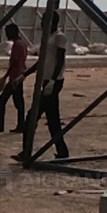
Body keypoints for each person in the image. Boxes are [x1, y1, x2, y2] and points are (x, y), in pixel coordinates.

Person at [34, 9, 70, 159]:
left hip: (53, 81)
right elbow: (42, 61)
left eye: (44, 21)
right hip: (46, 80)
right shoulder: (47, 37)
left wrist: (53, 81)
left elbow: (60, 60)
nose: (42, 24)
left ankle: (26, 152)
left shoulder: (59, 37)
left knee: (33, 116)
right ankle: (62, 151)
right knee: (52, 119)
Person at [0, 23, 31, 133]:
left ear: (13, 32)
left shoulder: (17, 45)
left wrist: (5, 77)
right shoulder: (23, 44)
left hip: (15, 77)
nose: (6, 35)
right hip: (19, 76)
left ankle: (1, 126)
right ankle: (21, 125)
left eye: (7, 32)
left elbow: (14, 63)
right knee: (19, 102)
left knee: (2, 101)